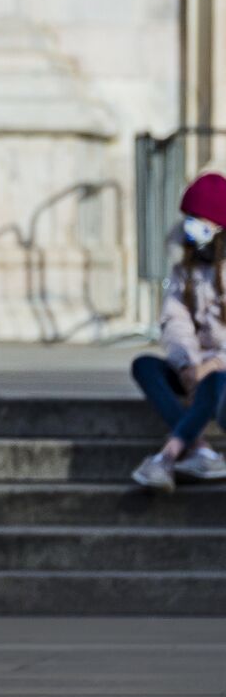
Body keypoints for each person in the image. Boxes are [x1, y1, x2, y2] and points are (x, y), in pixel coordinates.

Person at [131, 171, 226, 492]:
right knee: (145, 366)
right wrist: (186, 364)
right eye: (189, 218)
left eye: (200, 220)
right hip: (194, 365)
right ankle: (200, 448)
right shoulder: (182, 267)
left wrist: (211, 365)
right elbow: (175, 320)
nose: (191, 226)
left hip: (219, 371)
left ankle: (167, 455)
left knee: (217, 380)